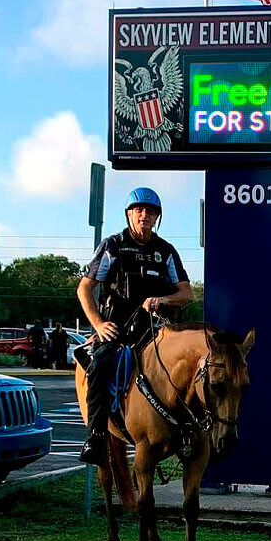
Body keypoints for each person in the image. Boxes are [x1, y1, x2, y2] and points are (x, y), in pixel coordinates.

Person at [76, 187, 194, 465]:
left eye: (150, 212)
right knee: (101, 361)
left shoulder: (165, 251)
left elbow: (187, 293)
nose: (145, 215)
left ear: (157, 218)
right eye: (139, 210)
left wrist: (163, 299)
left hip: (155, 328)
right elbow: (85, 288)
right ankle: (95, 434)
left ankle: (190, 431)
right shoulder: (113, 246)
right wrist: (98, 323)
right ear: (129, 214)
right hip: (117, 327)